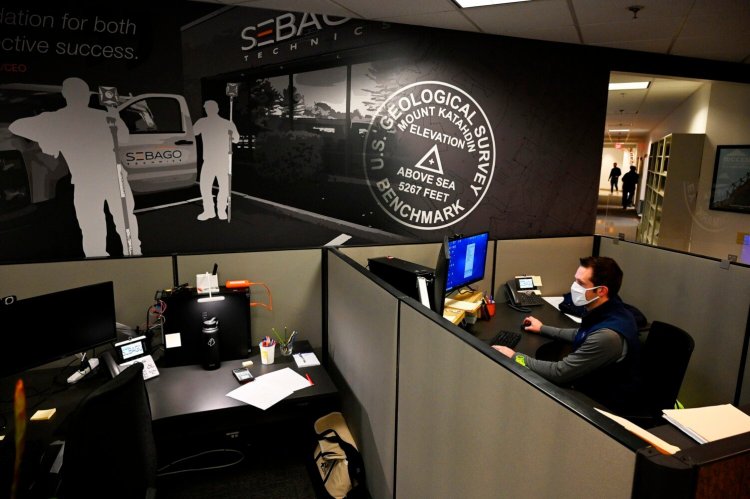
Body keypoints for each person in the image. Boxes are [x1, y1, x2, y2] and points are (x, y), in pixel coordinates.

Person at [9, 77, 141, 257]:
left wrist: (47, 137)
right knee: (124, 222)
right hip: (112, 179)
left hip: (88, 182)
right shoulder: (103, 116)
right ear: (86, 96)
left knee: (91, 225)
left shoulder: (57, 119)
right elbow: (124, 139)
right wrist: (115, 116)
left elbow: (16, 126)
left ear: (65, 95)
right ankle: (133, 256)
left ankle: (97, 261)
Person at [493, 256, 640, 413]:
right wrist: (542, 328)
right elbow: (582, 334)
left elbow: (559, 372)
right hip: (590, 386)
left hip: (600, 406)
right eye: (575, 280)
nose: (574, 287)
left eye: (581, 284)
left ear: (601, 291)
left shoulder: (607, 336)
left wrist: (515, 357)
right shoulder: (612, 310)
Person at [194, 100, 239, 221]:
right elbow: (193, 132)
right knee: (205, 187)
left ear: (216, 109)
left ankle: (221, 211)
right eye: (207, 108)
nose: (208, 110)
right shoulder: (202, 122)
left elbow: (236, 139)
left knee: (223, 187)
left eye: (210, 108)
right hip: (209, 160)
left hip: (222, 160)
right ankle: (209, 211)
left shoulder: (227, 123)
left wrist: (231, 135)